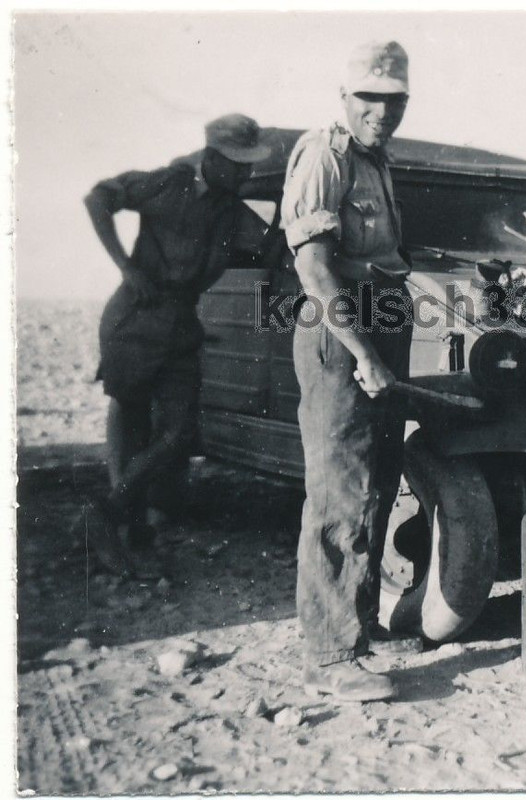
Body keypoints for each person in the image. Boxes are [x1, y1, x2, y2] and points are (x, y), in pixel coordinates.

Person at [280, 41, 417, 703]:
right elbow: (314, 269)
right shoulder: (326, 154)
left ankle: (355, 626)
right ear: (344, 98)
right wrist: (363, 353)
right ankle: (331, 656)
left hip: (382, 322)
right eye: (368, 98)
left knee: (375, 487)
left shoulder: (375, 160)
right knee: (341, 493)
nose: (381, 111)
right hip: (343, 333)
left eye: (393, 100)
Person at [81, 113, 273, 578]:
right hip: (135, 320)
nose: (246, 173)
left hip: (181, 325)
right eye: (238, 164)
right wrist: (126, 267)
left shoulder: (233, 211)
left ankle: (104, 514)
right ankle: (124, 537)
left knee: (180, 433)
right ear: (212, 158)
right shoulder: (169, 183)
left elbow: (270, 248)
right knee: (131, 424)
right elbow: (98, 198)